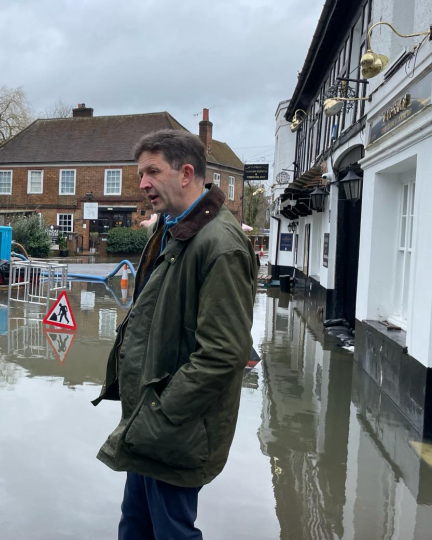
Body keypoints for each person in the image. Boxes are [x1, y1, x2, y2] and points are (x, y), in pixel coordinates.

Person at [93, 130, 256, 540]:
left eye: (152, 171)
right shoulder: (168, 229)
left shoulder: (221, 245)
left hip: (174, 425)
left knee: (171, 532)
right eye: (140, 173)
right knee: (135, 526)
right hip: (148, 419)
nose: (142, 183)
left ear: (186, 173)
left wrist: (160, 414)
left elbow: (222, 355)